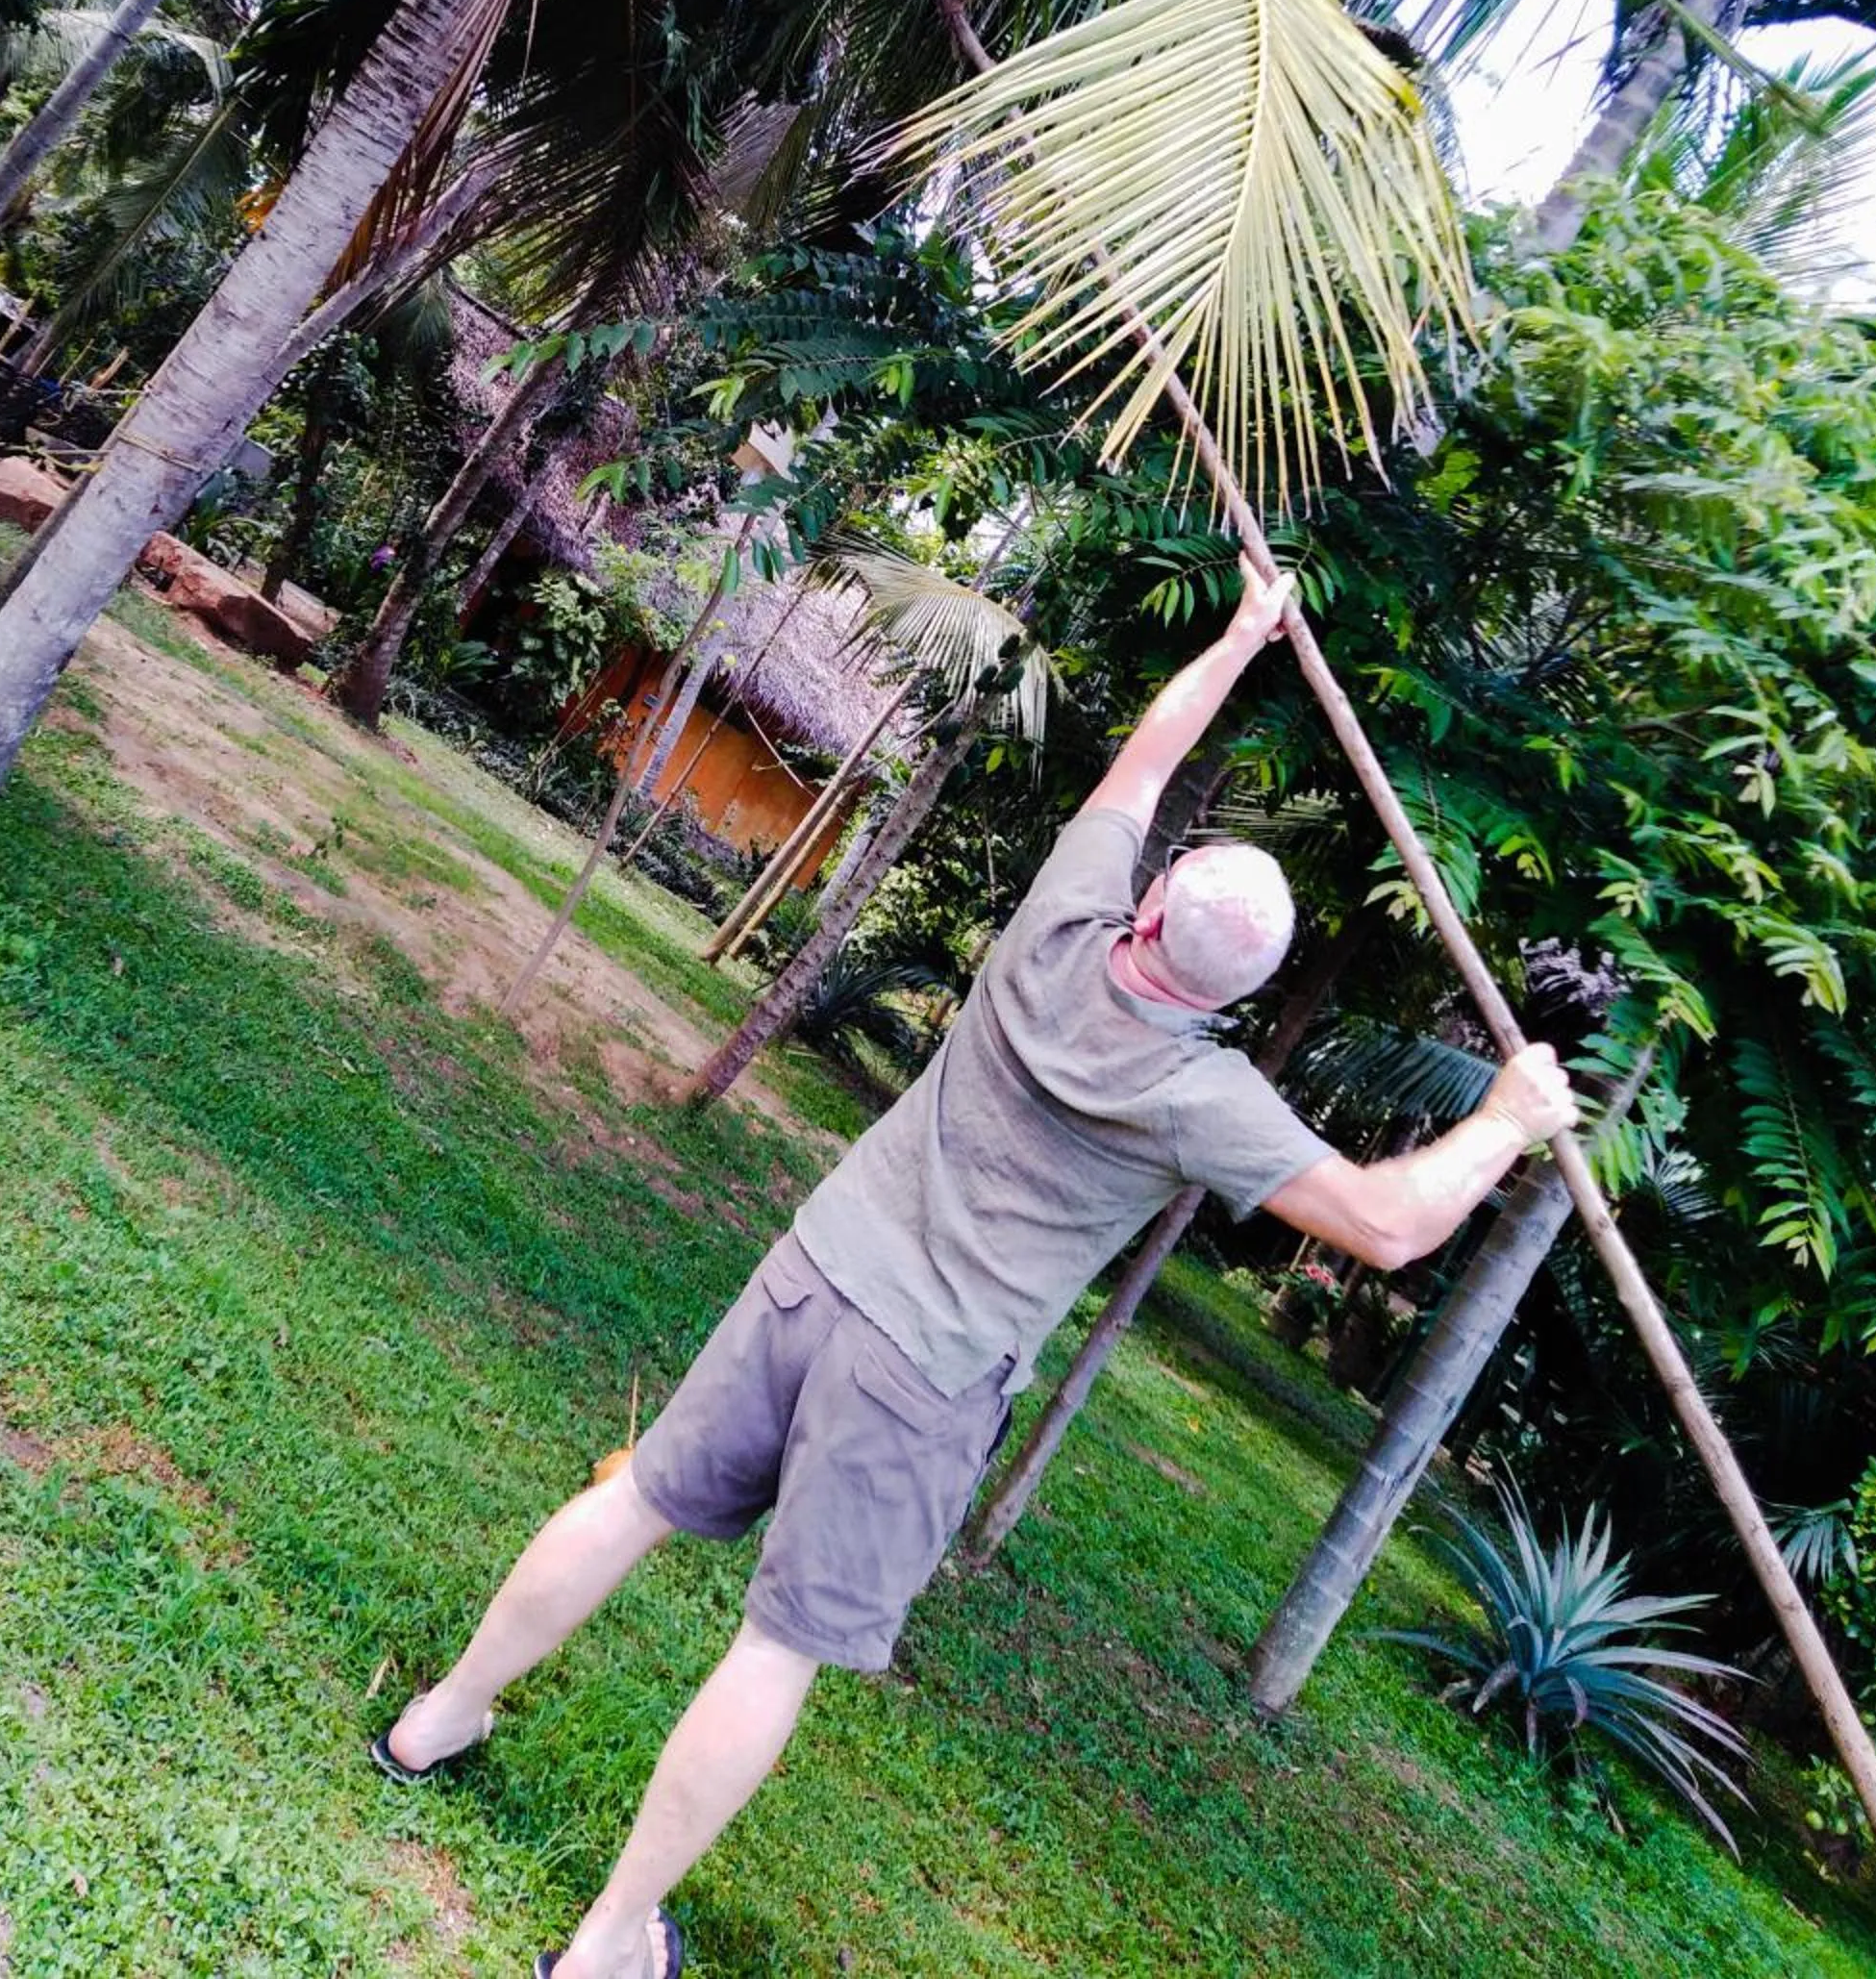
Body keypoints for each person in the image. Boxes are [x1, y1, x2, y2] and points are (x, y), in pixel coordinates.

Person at [373, 560, 1580, 1979]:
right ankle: (606, 1942)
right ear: (1236, 997)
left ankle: (433, 1721)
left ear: (1151, 904)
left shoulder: (1060, 917)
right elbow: (1385, 1221)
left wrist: (1243, 635)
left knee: (634, 1500)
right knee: (775, 1650)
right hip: (921, 1377)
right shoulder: (1200, 1098)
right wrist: (1505, 1122)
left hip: (815, 1270)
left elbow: (1149, 756)